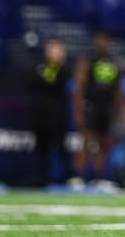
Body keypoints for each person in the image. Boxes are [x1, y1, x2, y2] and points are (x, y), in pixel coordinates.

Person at [74, 30, 125, 188]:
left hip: (107, 107)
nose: (101, 43)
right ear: (95, 42)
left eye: (104, 40)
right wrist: (79, 110)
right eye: (98, 40)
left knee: (104, 143)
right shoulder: (89, 61)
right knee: (87, 142)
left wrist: (120, 114)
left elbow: (118, 90)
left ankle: (99, 176)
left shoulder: (113, 62)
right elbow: (80, 86)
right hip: (91, 105)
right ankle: (80, 176)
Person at [29, 36, 73, 187]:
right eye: (51, 49)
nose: (53, 52)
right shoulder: (39, 66)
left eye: (57, 49)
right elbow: (33, 83)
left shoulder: (65, 69)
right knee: (41, 148)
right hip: (41, 115)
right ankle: (40, 178)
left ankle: (70, 177)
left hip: (57, 116)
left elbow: (58, 85)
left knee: (61, 147)